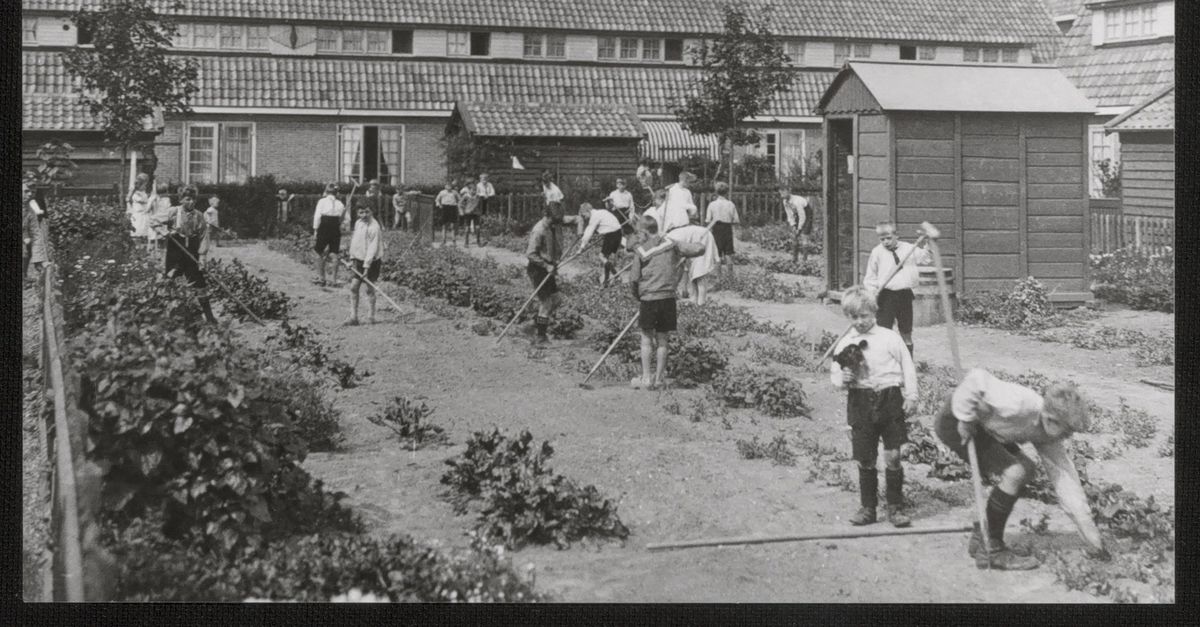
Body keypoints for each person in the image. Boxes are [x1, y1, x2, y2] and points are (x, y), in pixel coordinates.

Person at [935, 368, 1108, 570]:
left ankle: (982, 536)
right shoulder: (1019, 404)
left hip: (988, 429)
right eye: (1067, 430)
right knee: (1015, 472)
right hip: (958, 421)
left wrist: (1093, 539)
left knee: (1027, 469)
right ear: (1050, 419)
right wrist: (965, 419)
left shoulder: (1049, 437)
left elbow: (1067, 484)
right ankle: (992, 549)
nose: (1068, 437)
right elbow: (976, 379)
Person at [829, 285, 918, 528]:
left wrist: (911, 396)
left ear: (874, 312)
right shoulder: (846, 342)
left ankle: (895, 507)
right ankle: (868, 508)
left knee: (893, 455)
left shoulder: (889, 338)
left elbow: (907, 365)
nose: (859, 321)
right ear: (847, 316)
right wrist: (842, 379)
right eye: (854, 317)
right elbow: (835, 373)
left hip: (889, 398)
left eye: (864, 316)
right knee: (865, 457)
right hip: (860, 401)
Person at [629, 213, 683, 390]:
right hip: (668, 297)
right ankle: (659, 380)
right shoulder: (671, 245)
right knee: (663, 339)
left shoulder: (642, 250)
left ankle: (646, 379)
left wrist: (637, 296)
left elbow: (634, 278)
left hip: (649, 298)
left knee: (646, 339)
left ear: (644, 232)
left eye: (639, 233)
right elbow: (681, 266)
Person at [863, 221, 932, 358]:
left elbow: (925, 258)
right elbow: (870, 277)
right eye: (882, 239)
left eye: (889, 238)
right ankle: (884, 361)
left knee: (906, 330)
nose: (886, 242)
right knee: (883, 330)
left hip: (904, 295)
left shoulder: (908, 249)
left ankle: (908, 361)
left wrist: (929, 242)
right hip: (885, 296)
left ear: (897, 235)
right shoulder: (877, 252)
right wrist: (872, 291)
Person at [152, 189, 217, 323]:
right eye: (187, 199)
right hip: (175, 248)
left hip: (192, 249)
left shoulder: (198, 215)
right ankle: (165, 315)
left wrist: (202, 256)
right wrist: (164, 232)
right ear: (181, 200)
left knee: (199, 281)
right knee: (170, 279)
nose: (191, 202)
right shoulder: (173, 211)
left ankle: (209, 317)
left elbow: (204, 236)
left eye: (193, 199)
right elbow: (154, 220)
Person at [524, 202, 579, 346]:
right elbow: (530, 254)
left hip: (550, 267)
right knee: (547, 303)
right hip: (538, 268)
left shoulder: (557, 220)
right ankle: (540, 337)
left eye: (558, 221)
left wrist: (581, 227)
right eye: (553, 221)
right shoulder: (539, 230)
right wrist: (546, 265)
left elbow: (577, 219)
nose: (556, 224)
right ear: (546, 215)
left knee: (557, 299)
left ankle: (535, 323)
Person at [664, 211, 720, 306]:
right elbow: (682, 264)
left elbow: (678, 265)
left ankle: (701, 303)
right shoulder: (668, 240)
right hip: (692, 242)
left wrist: (678, 285)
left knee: (700, 274)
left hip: (702, 238)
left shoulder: (669, 241)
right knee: (693, 274)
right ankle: (694, 300)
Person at [347, 204, 385, 326]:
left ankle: (371, 316)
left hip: (372, 261)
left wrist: (366, 268)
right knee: (353, 287)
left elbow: (372, 249)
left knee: (369, 289)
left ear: (372, 211)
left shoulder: (374, 227)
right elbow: (355, 242)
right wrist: (352, 258)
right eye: (361, 212)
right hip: (358, 260)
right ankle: (353, 317)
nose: (364, 215)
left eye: (367, 212)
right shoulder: (358, 223)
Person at [576, 202, 624, 286]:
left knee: (601, 256)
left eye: (584, 215)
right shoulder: (601, 212)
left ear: (588, 211)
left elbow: (588, 232)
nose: (584, 218)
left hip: (611, 234)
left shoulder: (594, 217)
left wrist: (581, 248)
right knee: (606, 258)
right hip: (618, 232)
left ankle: (617, 276)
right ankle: (606, 280)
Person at [312, 183, 348, 287]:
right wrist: (341, 223)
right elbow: (347, 219)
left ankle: (321, 278)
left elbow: (317, 216)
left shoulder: (322, 201)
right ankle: (333, 280)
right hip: (335, 226)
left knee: (318, 252)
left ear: (326, 192)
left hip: (324, 225)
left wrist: (315, 229)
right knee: (334, 253)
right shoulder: (340, 204)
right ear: (336, 193)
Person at [705, 181, 740, 280]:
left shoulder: (712, 204)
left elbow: (708, 220)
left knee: (718, 254)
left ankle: (719, 278)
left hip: (716, 229)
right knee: (728, 253)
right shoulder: (730, 204)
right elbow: (736, 220)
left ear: (716, 192)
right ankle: (730, 277)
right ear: (727, 192)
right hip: (727, 228)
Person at [779, 185, 812, 263]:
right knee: (794, 236)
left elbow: (802, 216)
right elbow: (789, 214)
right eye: (781, 193)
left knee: (804, 235)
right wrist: (793, 225)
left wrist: (799, 228)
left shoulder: (797, 201)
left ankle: (804, 260)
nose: (782, 195)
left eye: (784, 192)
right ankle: (794, 259)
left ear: (789, 191)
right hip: (797, 215)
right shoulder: (785, 201)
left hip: (806, 214)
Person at [23, 184, 47, 282]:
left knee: (26, 247)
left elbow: (36, 232)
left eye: (30, 192)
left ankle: (23, 275)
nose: (29, 194)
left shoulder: (30, 211)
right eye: (26, 191)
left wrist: (38, 259)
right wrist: (24, 236)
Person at [127, 173, 153, 243]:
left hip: (144, 215)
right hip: (139, 216)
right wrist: (151, 199)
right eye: (144, 185)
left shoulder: (143, 193)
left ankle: (143, 243)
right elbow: (144, 201)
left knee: (145, 232)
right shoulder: (137, 194)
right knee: (138, 231)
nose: (145, 187)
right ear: (140, 185)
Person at [458, 180, 482, 247]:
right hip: (468, 213)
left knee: (478, 227)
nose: (474, 191)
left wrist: (480, 212)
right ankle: (466, 242)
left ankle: (478, 242)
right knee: (467, 227)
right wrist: (461, 211)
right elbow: (460, 204)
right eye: (472, 190)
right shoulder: (466, 196)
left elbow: (480, 205)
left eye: (475, 190)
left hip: (476, 213)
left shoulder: (478, 197)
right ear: (469, 190)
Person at [199, 195, 220, 265]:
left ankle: (216, 246)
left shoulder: (215, 210)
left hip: (214, 227)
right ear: (211, 203)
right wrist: (207, 221)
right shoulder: (210, 209)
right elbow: (205, 215)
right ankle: (205, 254)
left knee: (215, 238)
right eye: (216, 202)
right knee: (208, 239)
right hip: (210, 227)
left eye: (218, 202)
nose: (217, 203)